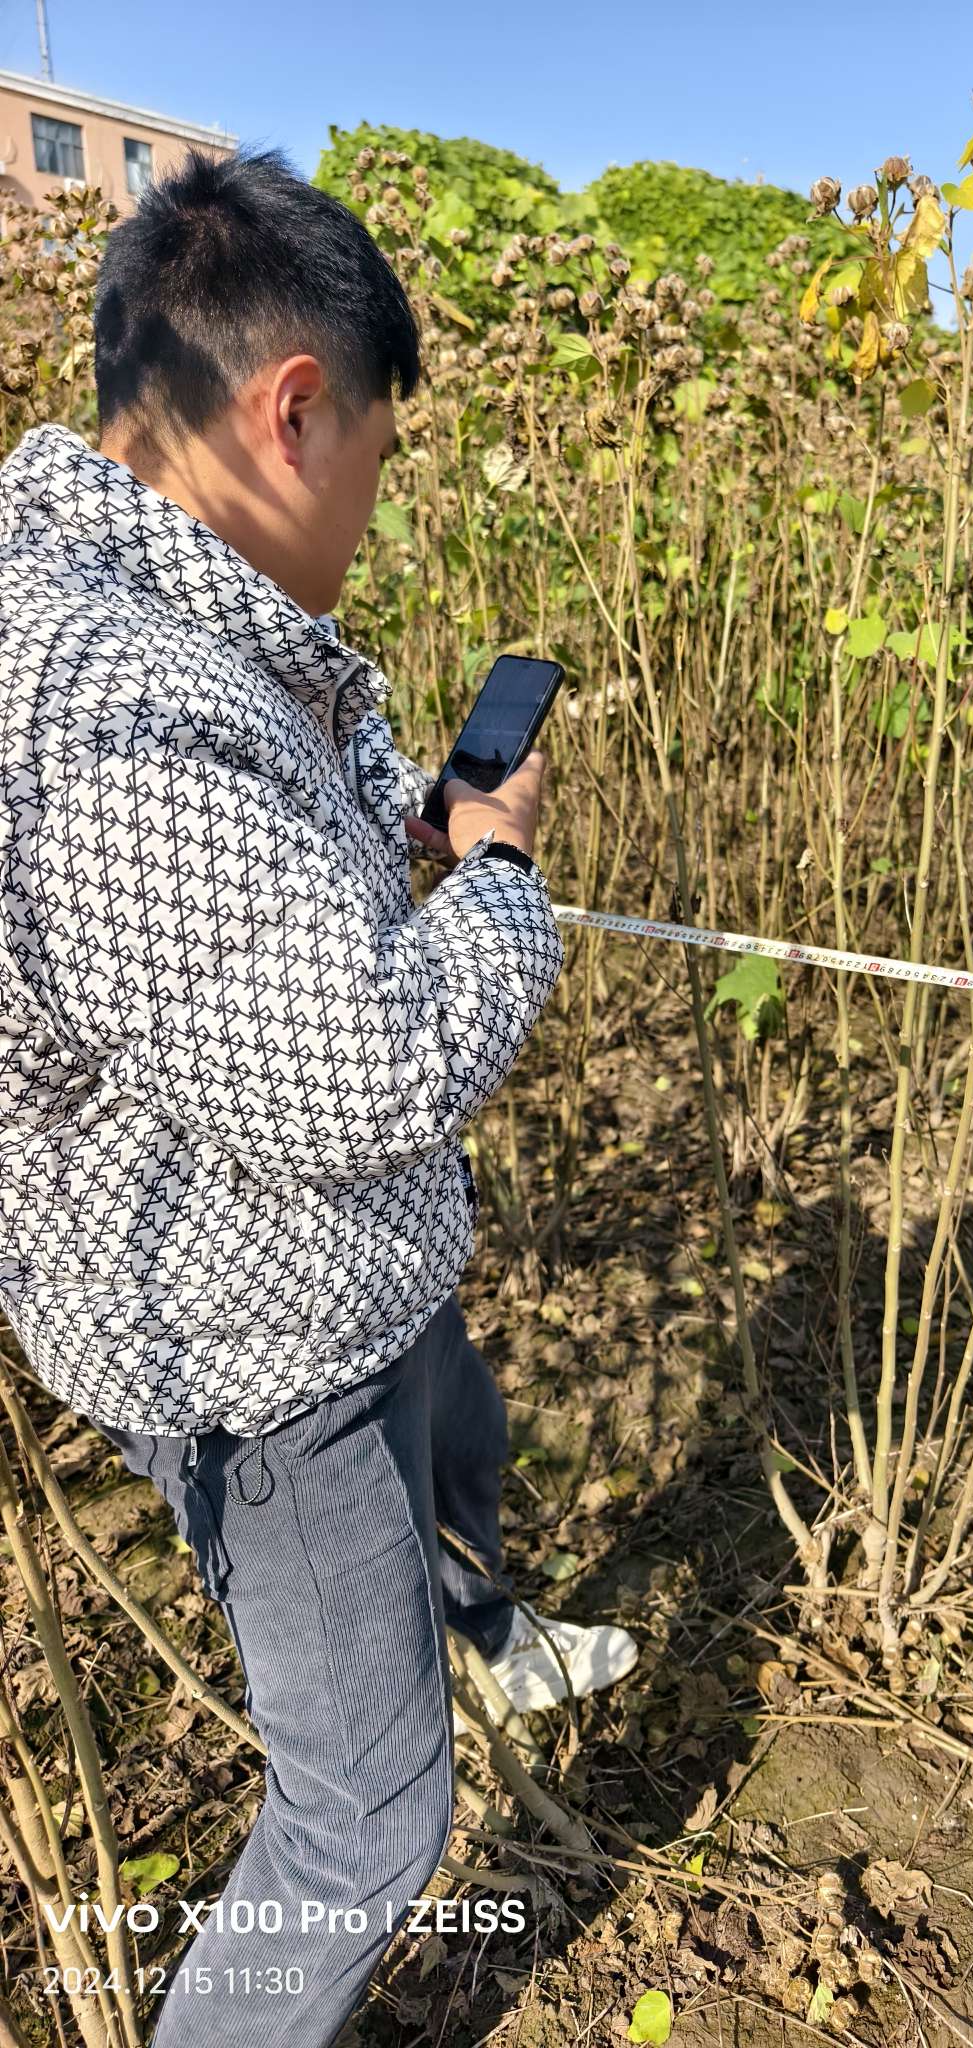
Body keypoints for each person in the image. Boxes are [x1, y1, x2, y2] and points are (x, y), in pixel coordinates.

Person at [0, 148, 636, 2044]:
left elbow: (247, 881)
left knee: (468, 1432)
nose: (371, 500)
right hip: (268, 1349)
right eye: (374, 445)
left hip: (344, 1272)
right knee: (366, 1814)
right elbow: (364, 1067)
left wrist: (403, 818)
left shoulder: (149, 602)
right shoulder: (109, 698)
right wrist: (505, 880)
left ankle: (481, 1621)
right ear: (291, 409)